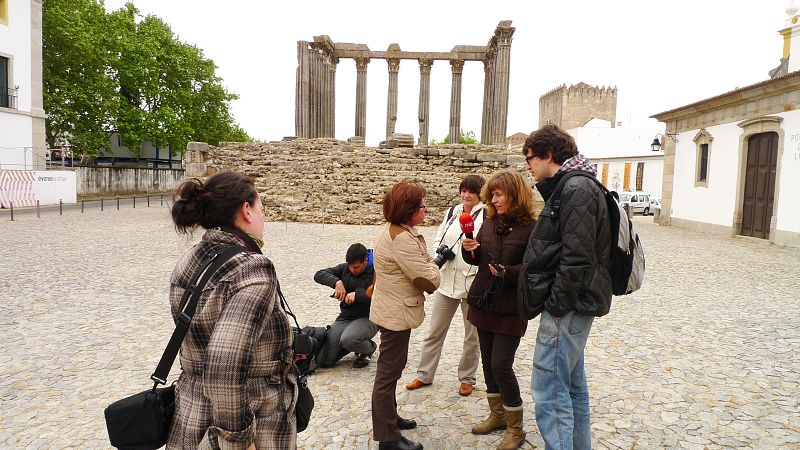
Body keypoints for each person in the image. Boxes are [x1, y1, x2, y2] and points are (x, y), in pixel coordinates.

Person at [166, 172, 296, 449]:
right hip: (251, 418)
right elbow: (225, 365)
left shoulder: (189, 258)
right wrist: (237, 440)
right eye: (262, 209)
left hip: (193, 410)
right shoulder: (252, 270)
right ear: (246, 210)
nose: (264, 218)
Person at [520, 124, 612, 450]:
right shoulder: (577, 185)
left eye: (530, 158)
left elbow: (577, 257)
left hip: (568, 306)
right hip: (576, 303)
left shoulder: (575, 190)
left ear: (548, 155)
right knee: (572, 386)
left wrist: (557, 305)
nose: (528, 165)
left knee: (549, 389)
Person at [461, 170, 536, 450]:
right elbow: (477, 258)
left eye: (499, 193)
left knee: (501, 366)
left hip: (510, 305)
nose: (494, 198)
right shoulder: (489, 222)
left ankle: (516, 429)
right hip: (483, 301)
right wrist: (471, 249)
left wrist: (508, 272)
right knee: (488, 365)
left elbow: (533, 268)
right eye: (492, 194)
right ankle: (498, 416)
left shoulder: (532, 228)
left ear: (515, 195)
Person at [370, 180, 440, 450]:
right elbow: (427, 280)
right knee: (388, 374)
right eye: (421, 205)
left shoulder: (395, 230)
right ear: (409, 209)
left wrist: (430, 263)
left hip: (392, 307)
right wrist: (437, 266)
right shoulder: (402, 240)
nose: (425, 209)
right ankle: (388, 439)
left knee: (393, 368)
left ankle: (390, 418)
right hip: (396, 312)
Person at [405, 174, 486, 397]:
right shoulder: (452, 212)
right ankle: (424, 374)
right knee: (434, 332)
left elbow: (487, 247)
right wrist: (439, 254)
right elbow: (438, 239)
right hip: (446, 280)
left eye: (471, 191)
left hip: (471, 281)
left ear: (479, 193)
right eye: (463, 190)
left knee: (472, 335)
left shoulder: (487, 215)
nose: (466, 194)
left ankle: (467, 378)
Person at [313, 243, 379, 368]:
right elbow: (318, 275)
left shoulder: (378, 270)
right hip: (346, 317)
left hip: (369, 317)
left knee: (349, 339)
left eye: (356, 267)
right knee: (324, 360)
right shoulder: (345, 269)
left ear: (365, 260)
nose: (352, 270)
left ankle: (369, 348)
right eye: (350, 267)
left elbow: (384, 295)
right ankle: (352, 342)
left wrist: (358, 295)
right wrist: (336, 282)